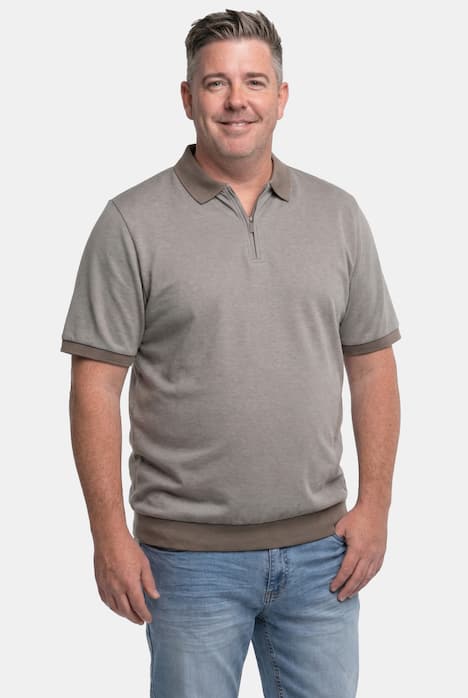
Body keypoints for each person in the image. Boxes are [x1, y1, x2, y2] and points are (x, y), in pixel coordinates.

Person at [60, 9, 401, 698]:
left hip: (323, 558)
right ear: (188, 98)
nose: (236, 100)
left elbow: (372, 367)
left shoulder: (338, 215)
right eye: (216, 83)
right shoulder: (130, 222)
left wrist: (376, 508)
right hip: (187, 564)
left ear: (282, 96)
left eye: (254, 81)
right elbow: (94, 386)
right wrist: (108, 534)